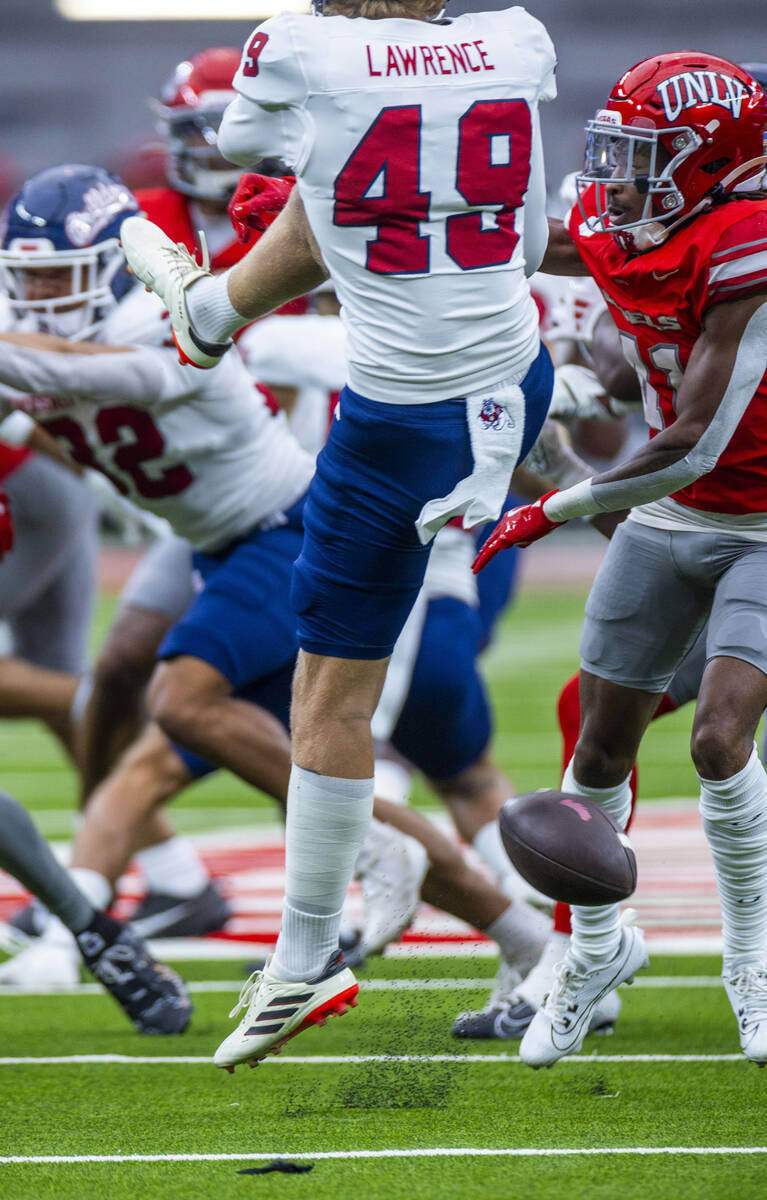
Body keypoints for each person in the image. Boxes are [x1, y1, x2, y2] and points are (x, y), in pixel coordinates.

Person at [121, 0, 557, 1070]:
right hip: (515, 367)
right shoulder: (515, 35)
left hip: (401, 417)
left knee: (331, 694)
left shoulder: (302, 45)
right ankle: (212, 313)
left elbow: (240, 148)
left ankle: (307, 948)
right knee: (330, 189)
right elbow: (531, 237)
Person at [473, 53, 767, 1067]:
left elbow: (693, 436)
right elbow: (534, 255)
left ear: (713, 161)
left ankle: (750, 959)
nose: (614, 173)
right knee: (595, 749)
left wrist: (549, 505)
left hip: (757, 517)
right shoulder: (625, 224)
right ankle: (593, 953)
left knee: (717, 740)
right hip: (671, 516)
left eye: (646, 154)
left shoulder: (748, 244)